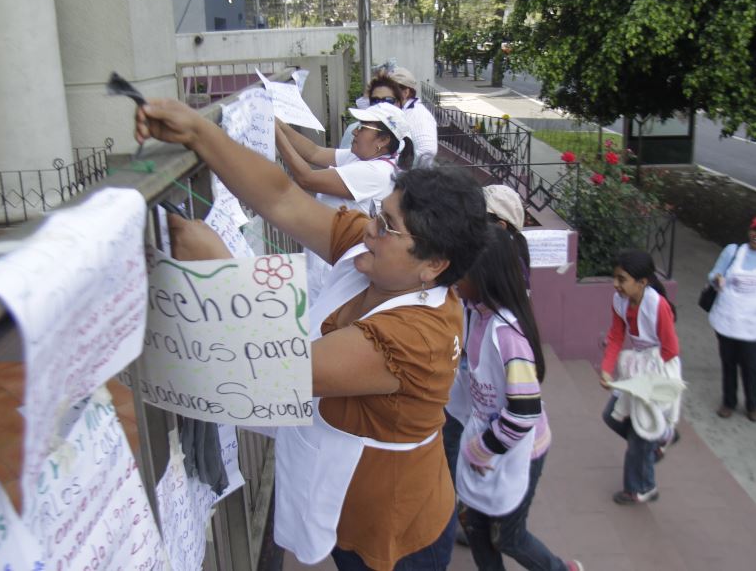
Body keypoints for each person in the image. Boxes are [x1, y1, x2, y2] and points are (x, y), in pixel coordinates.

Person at [135, 98, 487, 571]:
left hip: (396, 537)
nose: (370, 230)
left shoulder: (414, 337)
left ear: (434, 264)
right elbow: (282, 197)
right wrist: (200, 133)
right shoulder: (378, 263)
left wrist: (218, 271)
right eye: (377, 216)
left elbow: (273, 368)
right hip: (348, 506)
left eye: (387, 227)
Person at [449, 224, 583, 571]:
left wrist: (484, 446)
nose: (452, 278)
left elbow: (523, 412)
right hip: (489, 440)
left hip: (517, 447)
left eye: (459, 271)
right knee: (475, 526)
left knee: (507, 536)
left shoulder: (507, 335)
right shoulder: (475, 313)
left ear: (484, 276)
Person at [274, 102, 414, 299]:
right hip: (325, 253)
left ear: (382, 139)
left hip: (332, 265)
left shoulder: (376, 172)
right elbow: (313, 152)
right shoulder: (361, 158)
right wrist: (278, 123)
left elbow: (306, 178)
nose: (355, 132)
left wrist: (274, 132)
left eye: (364, 127)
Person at [599, 250, 681, 505]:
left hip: (658, 370)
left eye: (622, 279)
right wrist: (607, 368)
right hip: (638, 367)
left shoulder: (658, 306)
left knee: (638, 434)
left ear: (642, 282)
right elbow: (615, 335)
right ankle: (660, 435)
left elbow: (670, 350)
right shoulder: (619, 301)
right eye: (615, 278)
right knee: (611, 416)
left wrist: (649, 384)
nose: (616, 285)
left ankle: (641, 487)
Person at [707, 215, 756, 422]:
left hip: (752, 320)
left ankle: (752, 404)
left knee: (751, 365)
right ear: (749, 231)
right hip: (728, 316)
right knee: (728, 362)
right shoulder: (733, 251)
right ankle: (728, 401)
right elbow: (714, 274)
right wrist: (717, 278)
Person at [340, 71, 405, 150]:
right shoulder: (353, 129)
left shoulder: (406, 132)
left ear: (398, 103)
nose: (381, 105)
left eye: (388, 100)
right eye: (376, 100)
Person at [389, 67, 438, 166]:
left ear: (405, 92)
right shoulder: (400, 111)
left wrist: (403, 171)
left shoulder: (419, 115)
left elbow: (427, 152)